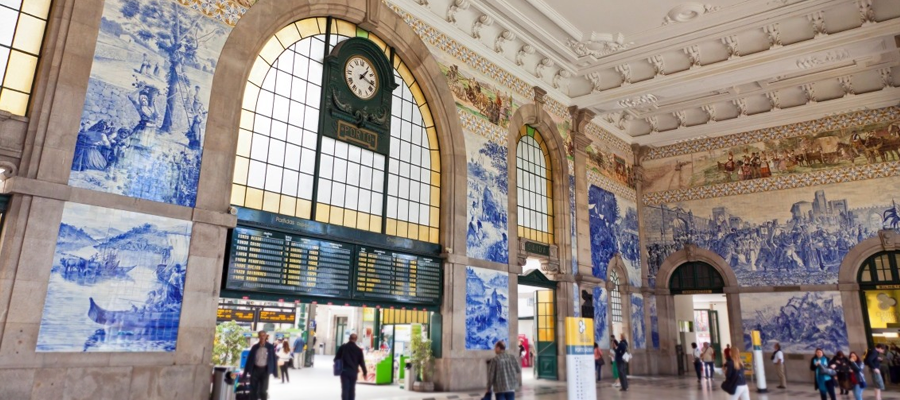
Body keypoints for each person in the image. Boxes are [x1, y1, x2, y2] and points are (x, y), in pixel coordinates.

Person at [244, 331, 277, 400]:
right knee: (253, 390)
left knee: (263, 390)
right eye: (261, 335)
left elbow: (273, 359)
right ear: (258, 337)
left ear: (266, 336)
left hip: (265, 370)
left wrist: (275, 372)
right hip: (255, 370)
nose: (262, 337)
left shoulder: (270, 347)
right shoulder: (255, 347)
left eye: (264, 335)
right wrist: (245, 372)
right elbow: (249, 359)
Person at [335, 333, 367, 400]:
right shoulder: (358, 350)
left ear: (349, 338)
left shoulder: (343, 347)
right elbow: (362, 362)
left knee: (345, 389)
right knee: (352, 389)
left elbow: (336, 359)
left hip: (344, 371)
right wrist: (365, 372)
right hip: (353, 372)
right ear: (356, 339)